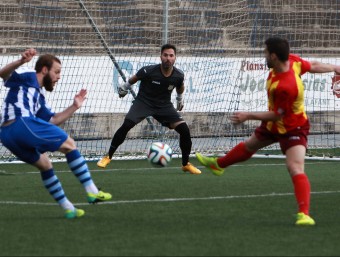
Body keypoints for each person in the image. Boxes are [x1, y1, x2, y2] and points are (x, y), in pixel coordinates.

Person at [196, 37, 340, 226]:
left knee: (295, 167)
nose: (263, 55)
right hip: (274, 125)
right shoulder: (293, 62)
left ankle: (304, 214)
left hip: (292, 127)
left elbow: (276, 115)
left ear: (273, 56)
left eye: (265, 52)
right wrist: (334, 67)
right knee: (249, 146)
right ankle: (218, 165)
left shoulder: (287, 86)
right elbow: (312, 65)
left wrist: (247, 115)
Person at [0, 48, 112, 219]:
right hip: (21, 123)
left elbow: (53, 120)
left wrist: (75, 106)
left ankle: (69, 209)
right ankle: (92, 192)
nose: (59, 77)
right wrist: (21, 61)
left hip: (7, 135)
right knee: (70, 144)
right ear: (44, 70)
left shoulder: (40, 97)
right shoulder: (27, 77)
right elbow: (3, 73)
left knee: (45, 164)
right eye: (57, 72)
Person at [97, 43, 201, 175]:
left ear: (175, 58)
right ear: (160, 57)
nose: (168, 58)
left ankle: (186, 164)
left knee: (184, 130)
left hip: (164, 106)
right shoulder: (148, 70)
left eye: (171, 55)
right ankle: (108, 157)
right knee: (127, 125)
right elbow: (133, 79)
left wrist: (179, 99)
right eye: (165, 55)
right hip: (143, 103)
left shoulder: (179, 75)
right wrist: (124, 87)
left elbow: (180, 86)